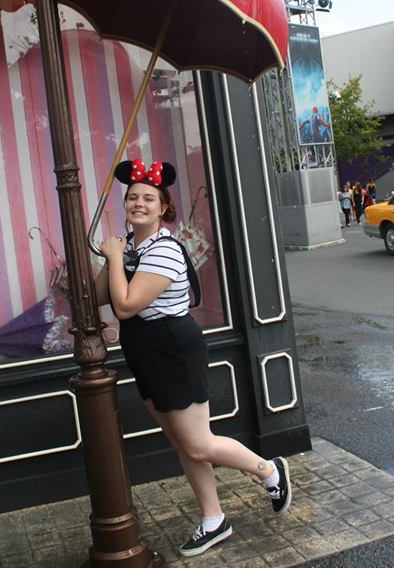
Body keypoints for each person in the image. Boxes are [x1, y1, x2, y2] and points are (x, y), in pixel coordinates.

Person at [95, 159, 292, 558]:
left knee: (199, 443)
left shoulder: (165, 250)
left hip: (172, 349)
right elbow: (100, 295)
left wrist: (115, 260)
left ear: (163, 207)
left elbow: (126, 305)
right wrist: (112, 255)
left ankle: (269, 470)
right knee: (182, 443)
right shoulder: (130, 246)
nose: (138, 203)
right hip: (144, 352)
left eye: (148, 198)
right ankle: (214, 518)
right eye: (132, 197)